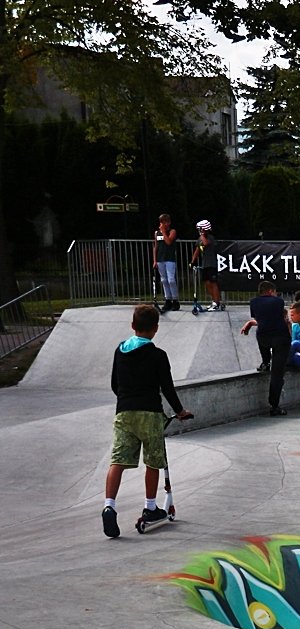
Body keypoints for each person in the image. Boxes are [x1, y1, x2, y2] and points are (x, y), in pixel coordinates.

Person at [103, 304, 191, 537]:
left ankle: (109, 505)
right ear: (156, 328)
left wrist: (127, 399)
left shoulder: (119, 351)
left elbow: (114, 384)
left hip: (124, 412)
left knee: (117, 460)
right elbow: (167, 388)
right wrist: (180, 411)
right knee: (153, 461)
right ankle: (150, 507)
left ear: (133, 325)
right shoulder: (158, 355)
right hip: (150, 414)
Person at [240, 282, 292, 416]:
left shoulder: (253, 302)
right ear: (270, 291)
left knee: (262, 339)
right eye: (275, 292)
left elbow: (262, 320)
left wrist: (250, 323)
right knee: (277, 374)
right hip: (281, 338)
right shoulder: (279, 302)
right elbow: (279, 318)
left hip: (264, 337)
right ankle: (274, 406)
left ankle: (265, 361)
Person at [189, 219, 221, 310]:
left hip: (212, 263)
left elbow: (206, 243)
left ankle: (217, 303)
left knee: (213, 283)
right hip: (205, 264)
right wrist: (192, 261)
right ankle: (213, 301)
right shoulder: (200, 239)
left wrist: (202, 235)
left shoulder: (210, 237)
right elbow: (197, 250)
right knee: (207, 283)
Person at [152, 215, 181, 312]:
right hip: (160, 259)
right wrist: (155, 260)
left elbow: (168, 242)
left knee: (171, 280)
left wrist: (164, 232)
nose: (165, 224)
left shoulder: (172, 231)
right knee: (164, 280)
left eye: (167, 222)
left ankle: (175, 300)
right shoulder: (157, 233)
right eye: (163, 222)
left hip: (169, 259)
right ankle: (168, 300)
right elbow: (156, 247)